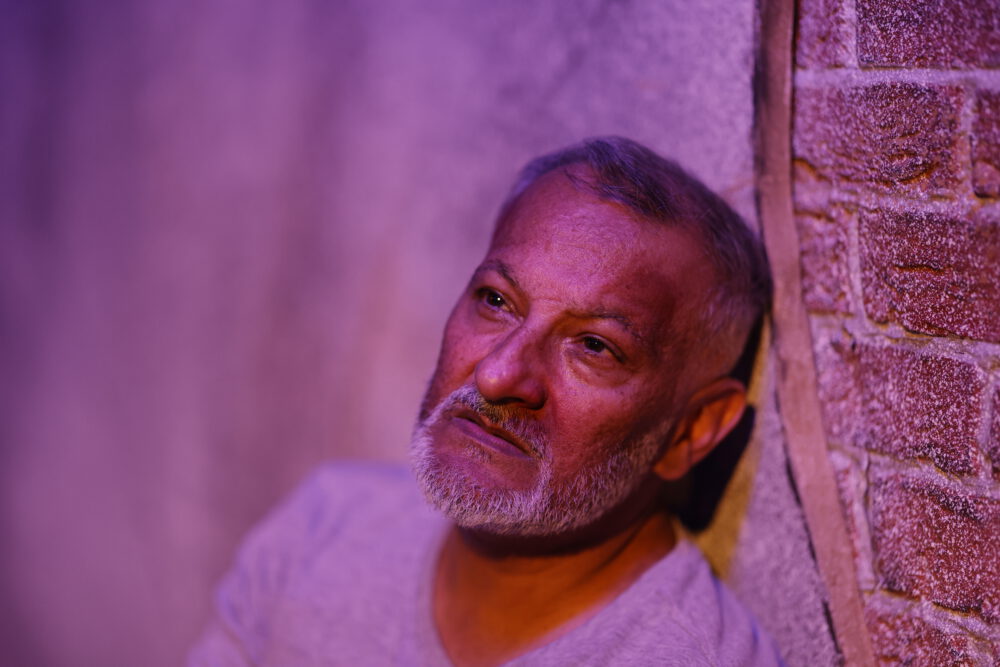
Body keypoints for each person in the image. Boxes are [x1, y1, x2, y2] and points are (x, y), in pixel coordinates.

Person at [190, 137, 783, 666]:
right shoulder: (323, 530)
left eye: (594, 346)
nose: (499, 376)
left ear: (693, 430)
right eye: (496, 301)